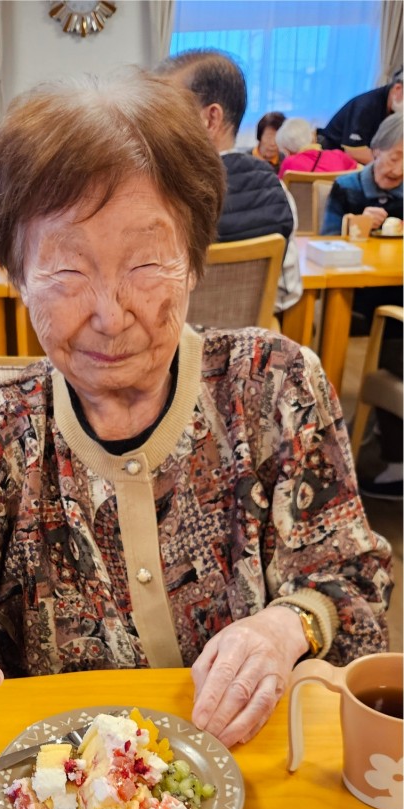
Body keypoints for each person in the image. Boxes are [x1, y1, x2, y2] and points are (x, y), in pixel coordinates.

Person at [0, 71, 392, 745]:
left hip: (259, 772)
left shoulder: (273, 386)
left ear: (194, 260)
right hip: (58, 794)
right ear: (18, 278)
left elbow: (354, 583)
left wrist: (288, 624)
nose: (111, 316)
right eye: (67, 271)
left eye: (146, 264)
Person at [156, 49, 302, 314]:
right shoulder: (277, 191)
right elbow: (286, 293)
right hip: (249, 338)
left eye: (167, 111)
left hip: (172, 337)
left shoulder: (156, 191)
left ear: (211, 118)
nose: (155, 124)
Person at [322, 112, 403, 501]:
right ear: (376, 151)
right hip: (356, 298)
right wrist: (356, 222)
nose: (398, 169)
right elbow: (322, 240)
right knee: (392, 343)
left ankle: (385, 449)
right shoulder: (348, 187)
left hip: (396, 297)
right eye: (395, 157)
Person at [318, 68, 403, 166]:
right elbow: (354, 151)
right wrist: (391, 164)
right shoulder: (366, 106)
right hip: (332, 157)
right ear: (398, 89)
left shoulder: (394, 108)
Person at [276, 117, 359, 179]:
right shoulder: (339, 156)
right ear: (313, 136)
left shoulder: (289, 163)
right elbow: (358, 175)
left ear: (287, 150)